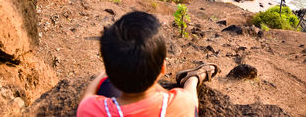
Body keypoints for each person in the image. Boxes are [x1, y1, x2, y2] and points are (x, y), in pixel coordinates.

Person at [77, 11, 219, 117]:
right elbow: (191, 104)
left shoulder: (90, 110)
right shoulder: (181, 103)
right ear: (163, 67)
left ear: (110, 72)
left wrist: (105, 73)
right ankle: (192, 79)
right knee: (192, 103)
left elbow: (87, 97)